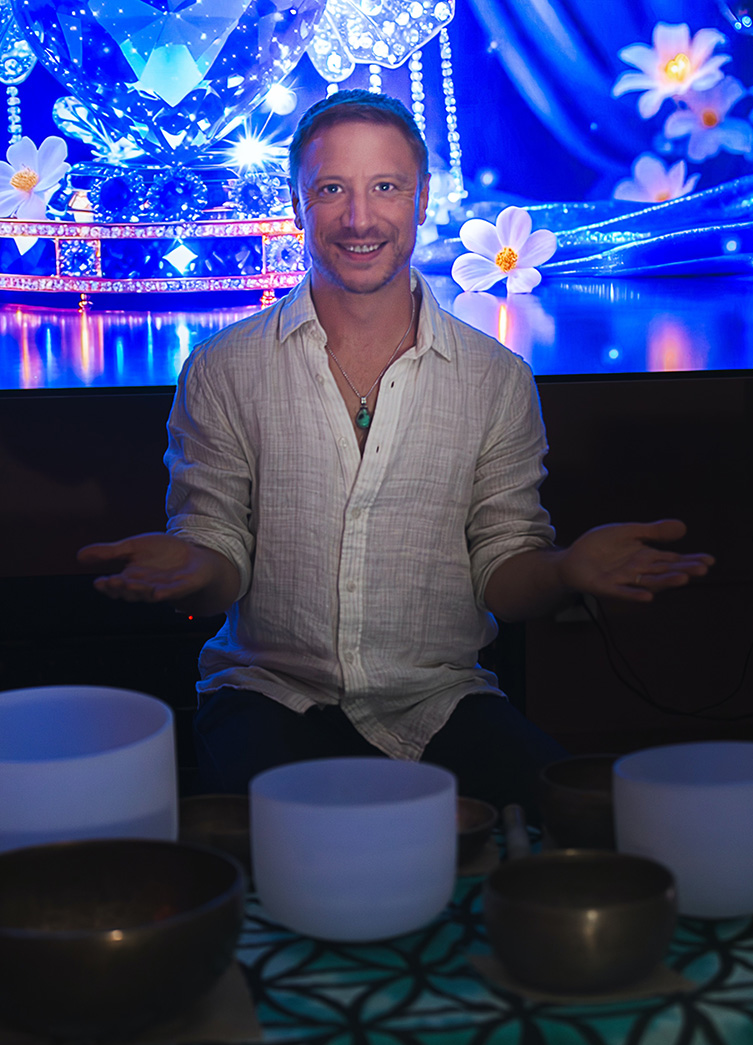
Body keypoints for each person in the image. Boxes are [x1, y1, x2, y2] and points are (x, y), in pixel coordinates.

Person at [78, 90, 714, 818]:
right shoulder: (224, 368)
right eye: (331, 189)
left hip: (439, 701)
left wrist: (565, 569)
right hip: (266, 697)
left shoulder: (496, 379)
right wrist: (193, 567)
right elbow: (217, 552)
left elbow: (504, 569)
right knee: (303, 849)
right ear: (296, 204)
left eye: (385, 187)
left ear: (422, 199)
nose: (359, 218)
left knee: (577, 820)